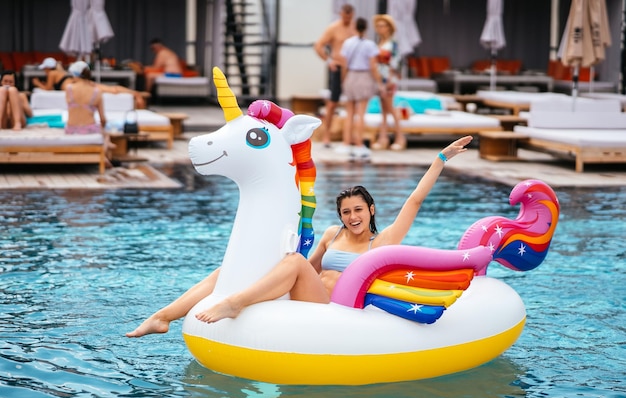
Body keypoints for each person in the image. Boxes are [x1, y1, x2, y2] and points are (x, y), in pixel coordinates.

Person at [125, 135, 473, 337]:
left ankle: (235, 303)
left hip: (335, 307)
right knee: (227, 270)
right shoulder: (331, 233)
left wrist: (441, 158)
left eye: (358, 210)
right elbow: (306, 268)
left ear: (371, 211)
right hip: (308, 294)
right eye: (346, 212)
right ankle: (164, 317)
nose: (352, 217)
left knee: (290, 262)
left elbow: (414, 200)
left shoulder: (381, 242)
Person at [337, 17, 383, 160]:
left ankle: (345, 144)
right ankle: (359, 145)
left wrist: (343, 80)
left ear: (355, 27)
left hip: (350, 75)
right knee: (361, 113)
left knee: (349, 112)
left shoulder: (348, 43)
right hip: (364, 76)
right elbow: (373, 66)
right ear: (366, 28)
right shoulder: (370, 45)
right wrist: (379, 82)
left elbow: (344, 65)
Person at [313, 4, 356, 148]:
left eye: (349, 17)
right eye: (345, 17)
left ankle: (350, 137)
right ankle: (326, 136)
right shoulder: (333, 28)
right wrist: (329, 60)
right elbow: (318, 45)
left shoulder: (355, 28)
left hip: (351, 69)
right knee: (333, 102)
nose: (347, 19)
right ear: (340, 14)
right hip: (336, 67)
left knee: (353, 102)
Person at [33, 56, 146, 109]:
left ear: (48, 68)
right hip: (78, 84)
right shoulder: (59, 71)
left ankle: (136, 94)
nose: (44, 71)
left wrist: (38, 83)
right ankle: (135, 93)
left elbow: (48, 88)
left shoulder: (52, 74)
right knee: (109, 89)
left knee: (110, 90)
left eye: (44, 68)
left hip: (78, 85)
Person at [370, 14, 407, 151]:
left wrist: (391, 80)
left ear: (389, 27)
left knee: (390, 108)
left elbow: (396, 64)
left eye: (382, 25)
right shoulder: (380, 42)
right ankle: (383, 138)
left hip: (388, 80)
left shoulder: (393, 43)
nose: (380, 28)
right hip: (380, 79)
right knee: (384, 110)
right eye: (378, 26)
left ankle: (400, 138)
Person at [64, 61, 116, 157]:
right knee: (106, 133)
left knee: (104, 134)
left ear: (76, 75)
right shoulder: (97, 91)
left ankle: (105, 150)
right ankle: (103, 155)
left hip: (71, 129)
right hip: (89, 129)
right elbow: (103, 119)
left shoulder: (69, 88)